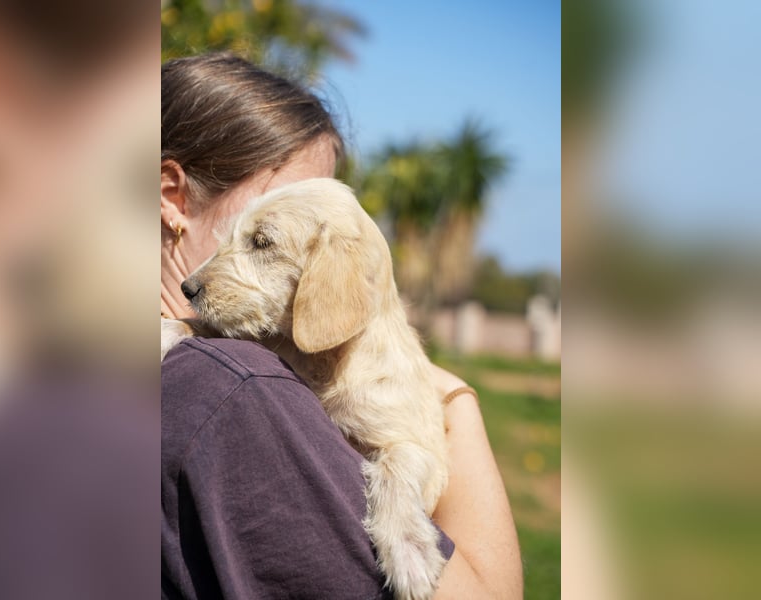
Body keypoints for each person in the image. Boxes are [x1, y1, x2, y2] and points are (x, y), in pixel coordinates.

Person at [161, 52, 522, 599]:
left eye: (262, 240)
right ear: (172, 196)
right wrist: (455, 401)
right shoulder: (240, 387)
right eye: (265, 221)